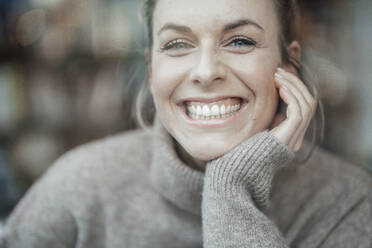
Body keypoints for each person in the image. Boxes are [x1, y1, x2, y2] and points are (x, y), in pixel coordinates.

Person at [1, 0, 371, 247]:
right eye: (177, 45)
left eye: (240, 41)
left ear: (288, 66)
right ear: (150, 71)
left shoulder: (347, 201)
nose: (206, 71)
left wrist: (231, 191)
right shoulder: (77, 186)